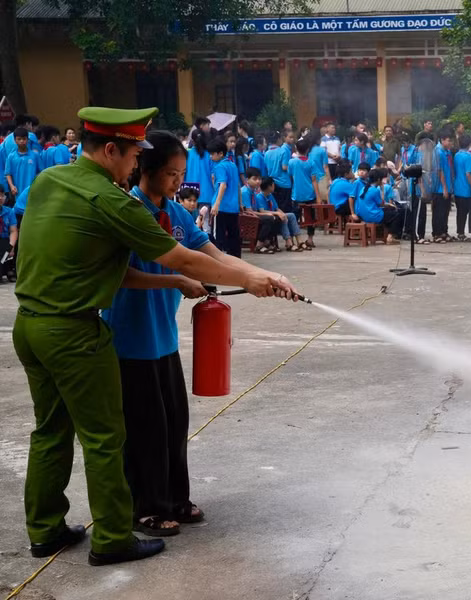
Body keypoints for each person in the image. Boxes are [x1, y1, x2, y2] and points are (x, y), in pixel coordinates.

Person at [13, 106, 299, 567]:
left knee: (51, 431)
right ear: (110, 151)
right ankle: (112, 538)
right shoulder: (113, 200)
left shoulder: (51, 180)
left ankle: (45, 530)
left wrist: (255, 272)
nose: (134, 167)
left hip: (30, 325)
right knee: (107, 436)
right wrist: (248, 281)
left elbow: (198, 249)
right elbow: (183, 261)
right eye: (132, 156)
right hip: (74, 331)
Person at [103, 130, 296, 539]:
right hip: (129, 337)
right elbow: (119, 275)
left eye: (182, 173)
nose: (177, 182)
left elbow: (213, 256)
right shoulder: (127, 211)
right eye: (171, 174)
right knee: (144, 426)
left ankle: (174, 497)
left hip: (163, 338)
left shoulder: (177, 214)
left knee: (174, 421)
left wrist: (263, 276)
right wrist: (173, 280)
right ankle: (147, 507)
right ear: (146, 169)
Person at [209, 138, 242, 257]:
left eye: (212, 153)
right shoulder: (233, 165)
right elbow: (237, 185)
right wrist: (240, 202)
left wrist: (216, 204)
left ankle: (218, 261)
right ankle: (236, 260)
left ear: (220, 153)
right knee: (234, 236)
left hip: (221, 207)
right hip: (233, 207)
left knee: (218, 236)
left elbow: (223, 185)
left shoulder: (219, 167)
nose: (210, 156)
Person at [354, 168, 405, 244]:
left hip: (363, 215)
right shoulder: (374, 190)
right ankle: (390, 237)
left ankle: (385, 234)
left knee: (389, 213)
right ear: (378, 179)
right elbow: (382, 203)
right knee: (396, 214)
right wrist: (382, 189)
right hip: (373, 215)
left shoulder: (364, 188)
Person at [288, 138, 319, 250]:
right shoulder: (311, 162)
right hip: (310, 194)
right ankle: (310, 239)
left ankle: (295, 239)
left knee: (295, 217)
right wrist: (318, 196)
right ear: (308, 150)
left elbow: (290, 176)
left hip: (296, 194)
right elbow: (314, 180)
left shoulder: (292, 162)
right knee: (310, 217)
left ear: (296, 149)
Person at [256, 177, 302, 251]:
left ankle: (299, 240)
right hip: (267, 217)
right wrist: (278, 213)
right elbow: (262, 211)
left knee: (291, 215)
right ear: (269, 186)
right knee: (282, 218)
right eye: (273, 185)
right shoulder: (259, 196)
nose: (274, 186)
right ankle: (288, 242)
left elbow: (277, 208)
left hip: (274, 215)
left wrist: (282, 213)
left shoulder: (270, 195)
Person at [240, 167, 277, 253]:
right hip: (245, 217)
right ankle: (259, 245)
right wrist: (266, 215)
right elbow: (249, 212)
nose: (258, 181)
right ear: (247, 180)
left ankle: (267, 242)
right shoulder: (245, 191)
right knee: (268, 219)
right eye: (254, 179)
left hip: (252, 215)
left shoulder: (253, 191)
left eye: (259, 179)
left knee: (276, 218)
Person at [5, 127, 42, 200]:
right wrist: (12, 186)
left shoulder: (35, 155)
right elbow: (8, 173)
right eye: (19, 139)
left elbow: (41, 172)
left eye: (24, 139)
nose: (22, 141)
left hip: (33, 191)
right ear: (15, 140)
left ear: (28, 140)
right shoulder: (11, 156)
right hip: (18, 192)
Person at [452, 133, 471, 242]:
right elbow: (468, 174)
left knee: (460, 212)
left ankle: (460, 232)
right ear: (469, 144)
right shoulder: (469, 157)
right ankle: (462, 233)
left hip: (457, 188)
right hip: (466, 189)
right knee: (465, 212)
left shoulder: (456, 155)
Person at [431, 132, 454, 243]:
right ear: (442, 140)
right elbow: (439, 171)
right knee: (438, 212)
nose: (450, 143)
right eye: (449, 140)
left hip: (448, 186)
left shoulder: (447, 152)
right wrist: (444, 188)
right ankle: (437, 233)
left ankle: (444, 231)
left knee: (445, 211)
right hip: (439, 188)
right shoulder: (437, 152)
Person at [186, 129, 214, 212]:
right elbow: (213, 175)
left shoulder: (187, 154)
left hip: (189, 192)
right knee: (204, 222)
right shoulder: (210, 155)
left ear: (192, 140)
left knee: (190, 221)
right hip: (207, 193)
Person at [266, 130, 294, 212]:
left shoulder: (267, 153)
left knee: (276, 207)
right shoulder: (283, 151)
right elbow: (284, 167)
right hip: (284, 183)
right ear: (278, 139)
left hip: (273, 184)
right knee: (286, 209)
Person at [306, 130, 330, 200]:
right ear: (317, 140)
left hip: (310, 178)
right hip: (321, 178)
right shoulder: (322, 150)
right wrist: (329, 179)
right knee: (324, 201)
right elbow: (325, 167)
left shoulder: (307, 150)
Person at [0, 200, 17, 282]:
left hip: (4, 241)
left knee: (5, 250)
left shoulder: (9, 211)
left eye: (2, 195)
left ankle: (9, 269)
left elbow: (13, 231)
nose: (0, 197)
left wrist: (11, 248)